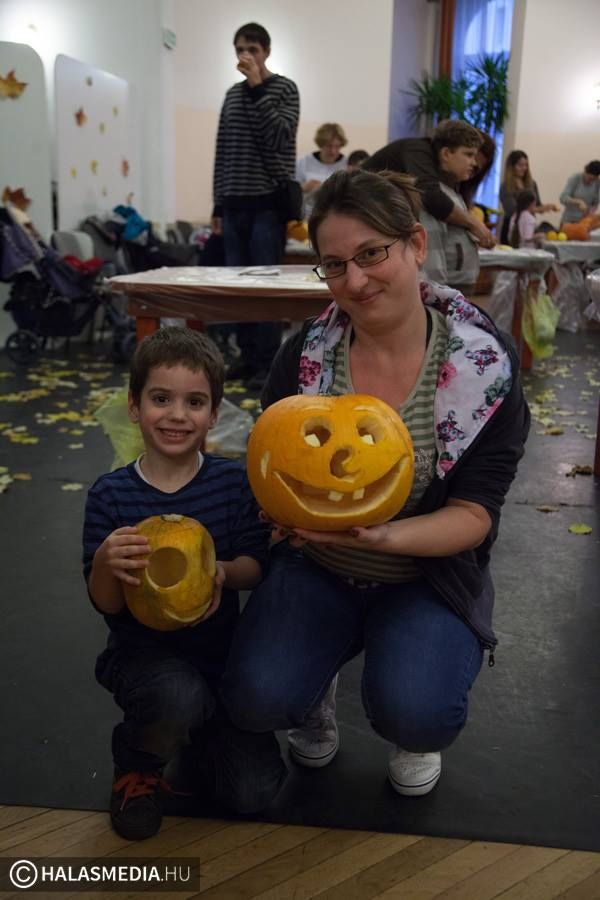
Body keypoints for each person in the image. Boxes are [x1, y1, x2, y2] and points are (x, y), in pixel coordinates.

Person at [221, 169, 530, 797]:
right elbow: (270, 463)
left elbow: (476, 514)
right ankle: (316, 687)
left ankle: (410, 718)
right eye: (335, 266)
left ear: (416, 243)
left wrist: (384, 537)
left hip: (424, 574)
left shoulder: (484, 370)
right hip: (316, 565)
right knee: (257, 696)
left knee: (417, 709)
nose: (355, 282)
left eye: (370, 254)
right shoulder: (304, 357)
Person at [82, 326, 286, 841]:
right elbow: (106, 603)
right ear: (134, 406)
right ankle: (138, 765)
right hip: (143, 658)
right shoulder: (111, 496)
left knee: (253, 792)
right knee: (175, 695)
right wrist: (106, 562)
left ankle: (195, 730)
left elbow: (255, 564)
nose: (177, 415)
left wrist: (223, 572)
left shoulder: (234, 482)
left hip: (220, 661)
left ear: (213, 414)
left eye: (194, 402)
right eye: (161, 399)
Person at [211, 22, 300, 389]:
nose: (244, 56)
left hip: (267, 205)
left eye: (252, 49)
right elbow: (222, 149)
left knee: (264, 285)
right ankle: (246, 357)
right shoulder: (231, 95)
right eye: (239, 50)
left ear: (266, 52)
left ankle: (267, 362)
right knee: (238, 286)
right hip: (233, 204)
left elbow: (280, 136)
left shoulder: (284, 89)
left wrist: (258, 86)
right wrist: (217, 204)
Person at [364, 119, 494, 293]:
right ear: (446, 153)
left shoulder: (443, 183)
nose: (474, 163)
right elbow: (433, 199)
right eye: (469, 155)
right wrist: (474, 224)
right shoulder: (417, 153)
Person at [499, 150, 559, 244]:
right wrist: (539, 209)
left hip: (528, 227)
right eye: (520, 165)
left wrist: (547, 207)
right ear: (511, 167)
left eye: (526, 165)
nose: (524, 168)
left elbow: (537, 205)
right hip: (513, 228)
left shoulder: (532, 184)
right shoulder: (505, 187)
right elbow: (512, 210)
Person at [296, 123, 348, 218]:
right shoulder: (304, 162)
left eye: (337, 146)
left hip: (336, 216)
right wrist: (303, 188)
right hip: (307, 215)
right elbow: (293, 191)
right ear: (320, 144)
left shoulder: (346, 165)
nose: (333, 151)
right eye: (329, 146)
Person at [559, 160, 600, 225]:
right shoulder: (575, 178)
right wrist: (578, 202)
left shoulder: (597, 183)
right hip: (569, 221)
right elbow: (563, 198)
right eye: (589, 178)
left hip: (584, 222)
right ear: (585, 171)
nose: (591, 181)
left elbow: (595, 203)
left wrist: (591, 211)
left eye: (593, 179)